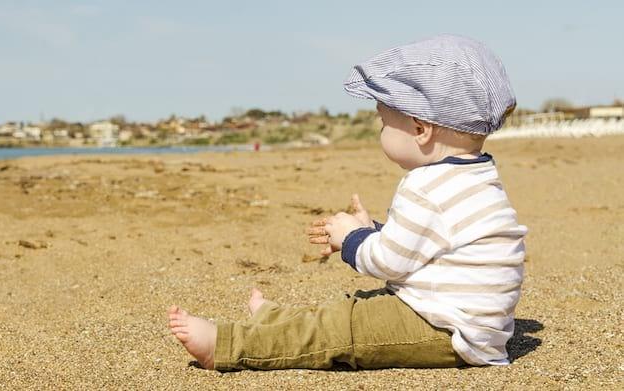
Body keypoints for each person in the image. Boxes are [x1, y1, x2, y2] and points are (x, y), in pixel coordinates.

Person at [167, 34, 527, 370]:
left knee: (342, 328)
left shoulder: (425, 186)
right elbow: (431, 245)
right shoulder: (478, 176)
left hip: (445, 330)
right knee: (356, 307)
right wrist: (374, 231)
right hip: (474, 326)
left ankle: (227, 345)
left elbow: (388, 263)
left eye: (384, 122)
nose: (380, 130)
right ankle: (276, 320)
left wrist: (351, 240)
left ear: (420, 129)